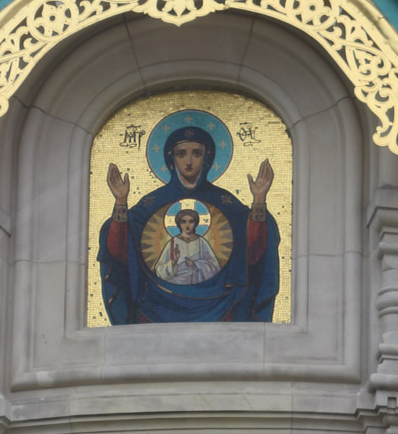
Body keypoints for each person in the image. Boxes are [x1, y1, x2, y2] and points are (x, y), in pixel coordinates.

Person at [99, 123, 280, 323]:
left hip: (219, 305)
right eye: (181, 154)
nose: (189, 161)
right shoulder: (152, 204)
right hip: (157, 306)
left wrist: (259, 199)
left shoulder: (224, 203)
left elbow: (253, 250)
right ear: (171, 158)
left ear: (207, 157)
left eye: (196, 153)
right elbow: (120, 250)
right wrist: (121, 202)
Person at [154, 208, 222, 285]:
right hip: (176, 284)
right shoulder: (172, 243)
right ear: (179, 223)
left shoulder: (201, 242)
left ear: (195, 223)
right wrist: (173, 262)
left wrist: (195, 264)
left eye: (191, 221)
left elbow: (214, 266)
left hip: (197, 283)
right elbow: (159, 269)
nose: (187, 225)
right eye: (183, 221)